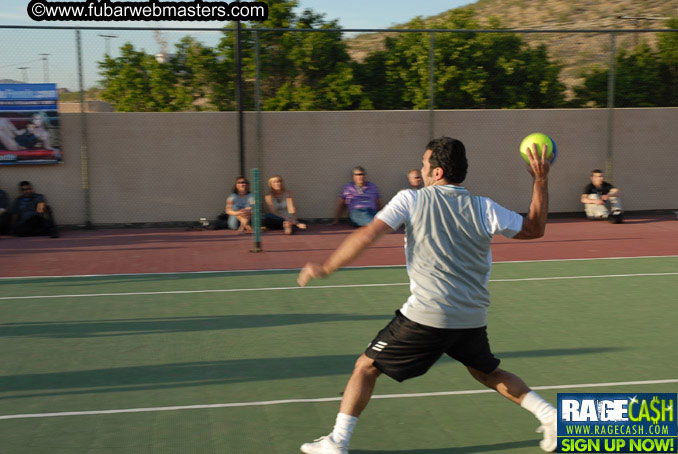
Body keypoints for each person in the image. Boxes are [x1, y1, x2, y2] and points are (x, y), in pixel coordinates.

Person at [297, 137, 557, 454]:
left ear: (437, 172)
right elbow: (535, 228)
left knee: (365, 368)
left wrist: (326, 267)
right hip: (471, 317)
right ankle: (551, 417)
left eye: (424, 163)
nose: (421, 169)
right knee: (487, 373)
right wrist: (540, 181)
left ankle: (337, 441)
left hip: (427, 316)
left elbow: (368, 234)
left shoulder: (411, 200)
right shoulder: (484, 207)